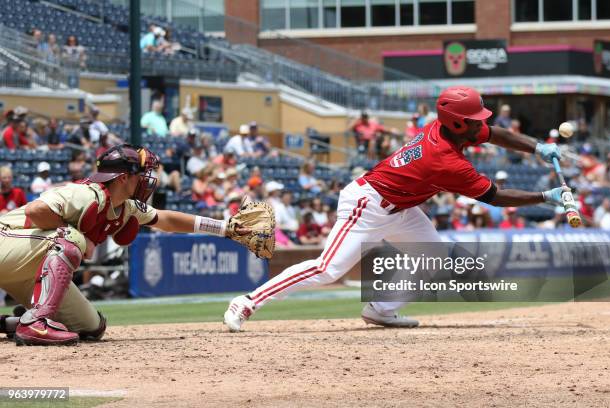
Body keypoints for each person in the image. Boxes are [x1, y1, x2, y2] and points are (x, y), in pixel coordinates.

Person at [223, 86, 567, 332]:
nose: (481, 124)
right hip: (368, 203)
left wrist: (538, 147)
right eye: (475, 119)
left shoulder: (448, 128)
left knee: (434, 256)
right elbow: (495, 196)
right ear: (459, 124)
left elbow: (495, 134)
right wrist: (544, 196)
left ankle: (381, 310)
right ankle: (248, 301)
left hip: (400, 206)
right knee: (327, 269)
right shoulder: (445, 160)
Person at [0, 144, 260, 345]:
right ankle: (36, 322)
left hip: (24, 264)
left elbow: (166, 219)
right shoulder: (86, 193)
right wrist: (81, 236)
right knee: (71, 239)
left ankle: (11, 323)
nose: (146, 179)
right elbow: (36, 211)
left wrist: (226, 228)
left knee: (90, 327)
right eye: (140, 174)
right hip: (6, 241)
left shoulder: (126, 207)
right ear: (122, 178)